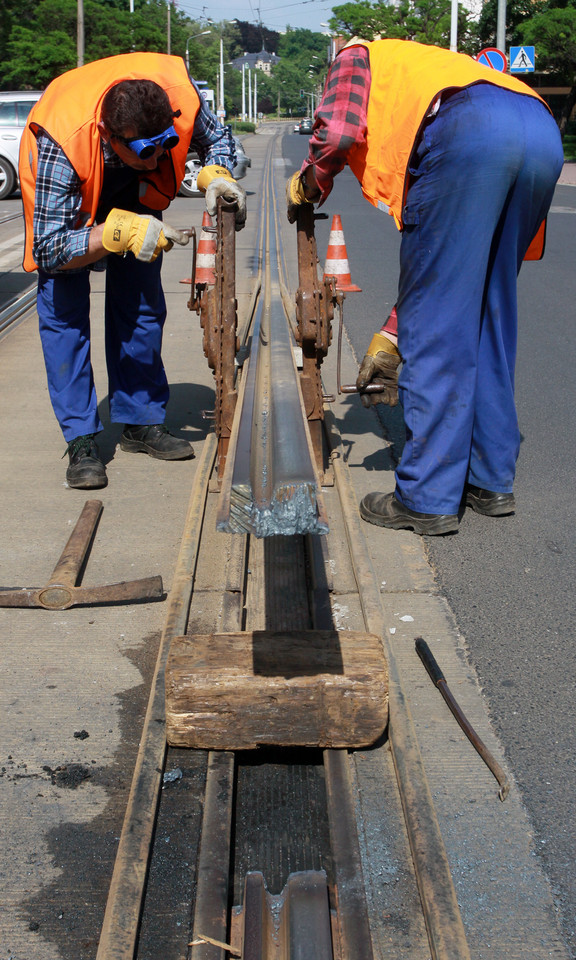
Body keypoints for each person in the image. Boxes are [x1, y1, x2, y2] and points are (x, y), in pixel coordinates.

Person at [287, 38, 563, 535]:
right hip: (540, 129)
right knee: (487, 314)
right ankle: (490, 479)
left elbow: (339, 132)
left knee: (438, 332)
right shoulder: (429, 62)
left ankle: (427, 496)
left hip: (469, 131)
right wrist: (395, 329)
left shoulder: (354, 54)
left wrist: (311, 182)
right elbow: (453, 277)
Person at [20, 52, 246, 490]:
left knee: (141, 309)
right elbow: (48, 249)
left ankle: (140, 421)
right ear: (109, 134)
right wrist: (116, 232)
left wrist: (216, 172)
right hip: (74, 197)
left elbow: (218, 137)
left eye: (166, 142)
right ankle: (82, 439)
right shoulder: (61, 139)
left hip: (133, 194)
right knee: (64, 318)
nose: (159, 155)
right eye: (146, 149)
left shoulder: (179, 94)